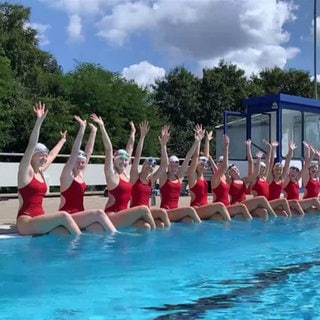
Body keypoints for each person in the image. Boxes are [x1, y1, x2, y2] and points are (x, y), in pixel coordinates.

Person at [16, 102, 81, 236]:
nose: (45, 158)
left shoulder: (41, 171)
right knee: (63, 216)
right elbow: (31, 144)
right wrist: (39, 121)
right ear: (32, 156)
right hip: (26, 221)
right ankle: (80, 247)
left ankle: (73, 253)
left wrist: (62, 141)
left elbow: (52, 154)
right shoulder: (26, 172)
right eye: (41, 155)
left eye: (45, 155)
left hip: (40, 218)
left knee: (65, 233)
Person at [91, 113, 156, 230]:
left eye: (126, 160)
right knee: (143, 209)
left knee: (145, 227)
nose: (123, 162)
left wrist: (133, 133)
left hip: (125, 214)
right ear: (114, 160)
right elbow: (109, 149)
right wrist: (102, 126)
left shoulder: (125, 174)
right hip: (113, 215)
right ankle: (157, 235)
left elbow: (130, 148)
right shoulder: (112, 174)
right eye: (120, 159)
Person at [59, 115, 117, 233]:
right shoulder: (66, 176)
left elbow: (89, 150)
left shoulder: (81, 174)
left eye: (83, 163)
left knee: (100, 229)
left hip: (80, 215)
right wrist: (82, 128)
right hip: (68, 216)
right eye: (79, 162)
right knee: (98, 214)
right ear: (73, 162)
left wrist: (94, 132)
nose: (82, 165)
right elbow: (75, 151)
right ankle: (117, 236)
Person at [158, 125, 203, 223]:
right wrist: (163, 145)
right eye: (171, 165)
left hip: (176, 212)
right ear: (168, 166)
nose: (174, 168)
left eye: (176, 166)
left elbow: (188, 157)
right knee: (190, 210)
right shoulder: (163, 178)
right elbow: (164, 162)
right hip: (165, 212)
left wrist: (197, 141)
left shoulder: (179, 177)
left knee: (189, 221)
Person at [130, 121, 171, 228]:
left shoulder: (151, 180)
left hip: (146, 213)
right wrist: (142, 136)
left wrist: (163, 145)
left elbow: (164, 164)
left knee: (162, 221)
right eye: (148, 163)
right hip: (134, 213)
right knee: (146, 227)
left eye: (153, 165)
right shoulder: (135, 177)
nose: (150, 166)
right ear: (142, 165)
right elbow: (137, 156)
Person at [187, 131, 231, 221]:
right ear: (196, 164)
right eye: (201, 164)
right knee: (219, 206)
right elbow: (195, 156)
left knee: (219, 218)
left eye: (205, 166)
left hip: (205, 208)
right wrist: (198, 141)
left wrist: (207, 141)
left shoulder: (202, 177)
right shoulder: (192, 175)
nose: (203, 167)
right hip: (196, 209)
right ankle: (230, 227)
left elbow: (206, 157)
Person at [209, 134, 252, 219]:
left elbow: (251, 165)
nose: (235, 170)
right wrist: (225, 147)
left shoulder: (242, 180)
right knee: (241, 210)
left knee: (242, 213)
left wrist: (248, 147)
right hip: (226, 207)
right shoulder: (228, 180)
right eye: (232, 169)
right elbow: (221, 167)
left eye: (236, 168)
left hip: (231, 206)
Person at [246, 139, 288, 217]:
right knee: (264, 212)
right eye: (260, 168)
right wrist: (248, 147)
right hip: (257, 205)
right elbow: (250, 161)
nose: (261, 169)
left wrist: (271, 149)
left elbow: (269, 161)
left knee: (283, 214)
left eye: (263, 168)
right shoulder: (254, 179)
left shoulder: (265, 179)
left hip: (266, 204)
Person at [266, 140, 304, 216]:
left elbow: (287, 163)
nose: (278, 171)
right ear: (273, 170)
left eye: (280, 170)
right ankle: (290, 217)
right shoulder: (270, 179)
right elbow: (270, 162)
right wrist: (273, 149)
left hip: (278, 204)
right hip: (269, 204)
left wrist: (290, 150)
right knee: (284, 206)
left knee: (287, 211)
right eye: (276, 169)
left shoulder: (282, 179)